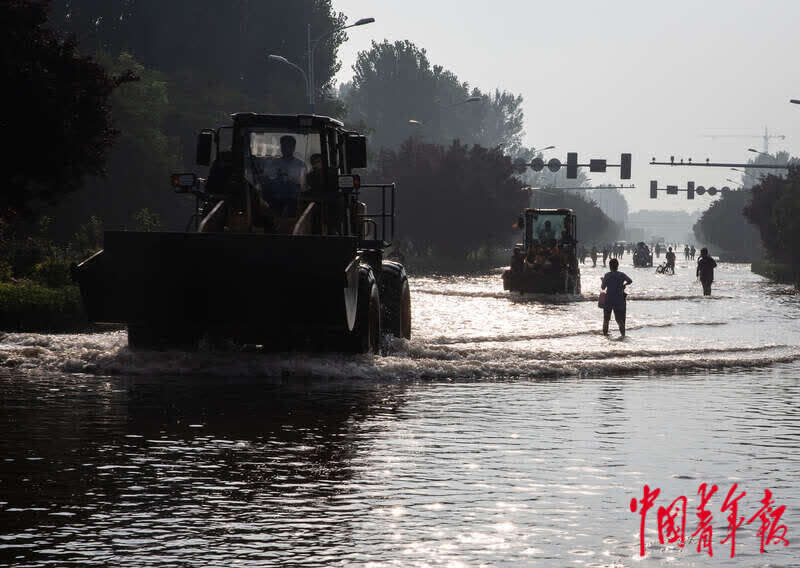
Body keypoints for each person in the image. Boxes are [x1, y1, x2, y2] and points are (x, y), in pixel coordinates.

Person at [262, 135, 306, 216]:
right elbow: (266, 181)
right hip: (275, 199)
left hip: (294, 201)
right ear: (281, 147)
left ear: (293, 147)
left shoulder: (300, 165)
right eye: (284, 146)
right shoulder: (273, 163)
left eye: (289, 146)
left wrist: (292, 182)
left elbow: (303, 185)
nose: (286, 149)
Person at [601, 258, 632, 337]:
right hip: (619, 299)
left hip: (608, 299)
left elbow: (603, 287)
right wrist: (624, 285)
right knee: (619, 319)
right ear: (617, 266)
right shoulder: (621, 275)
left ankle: (605, 335)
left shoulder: (607, 275)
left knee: (606, 319)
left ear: (610, 266)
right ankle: (623, 335)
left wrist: (602, 280)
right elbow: (630, 280)